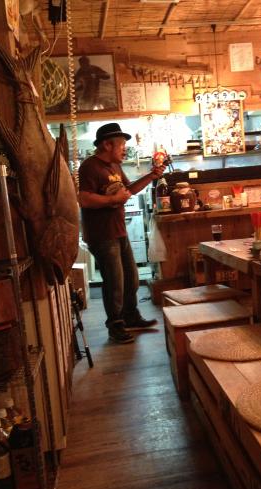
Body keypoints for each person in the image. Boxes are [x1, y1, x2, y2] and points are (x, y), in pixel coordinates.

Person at [79, 123, 166, 344]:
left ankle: (130, 316)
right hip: (102, 234)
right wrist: (112, 199)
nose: (124, 149)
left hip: (118, 230)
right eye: (122, 145)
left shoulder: (115, 166)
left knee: (131, 278)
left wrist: (151, 176)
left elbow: (129, 190)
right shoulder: (90, 166)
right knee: (114, 282)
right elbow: (84, 199)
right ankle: (115, 325)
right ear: (107, 145)